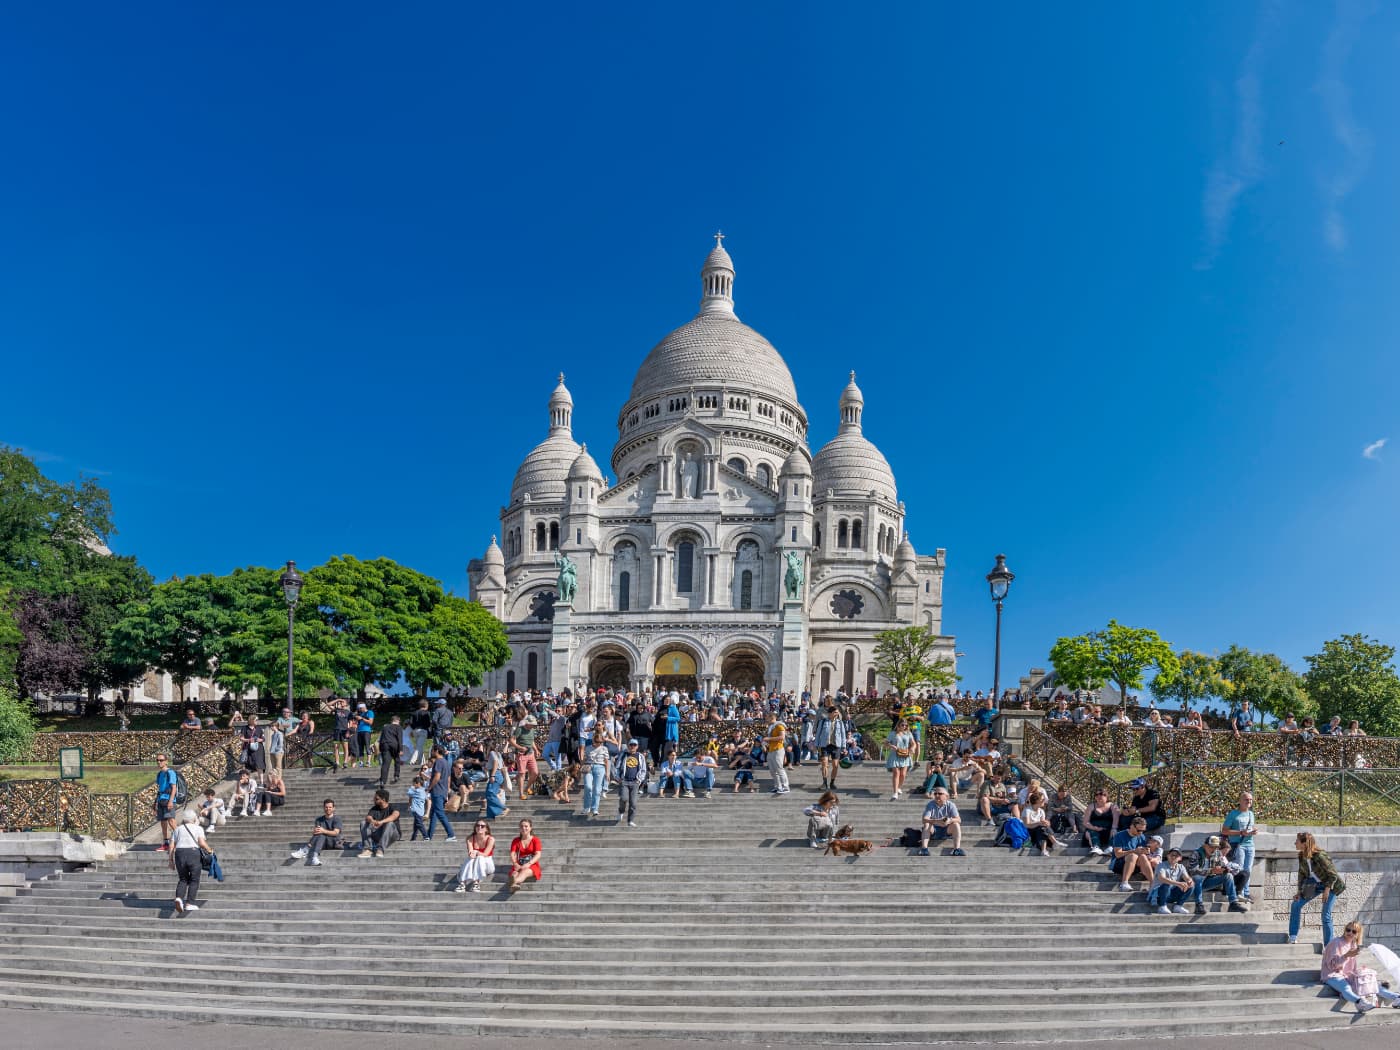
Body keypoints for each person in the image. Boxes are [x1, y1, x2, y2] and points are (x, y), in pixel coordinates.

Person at [1321, 922, 1400, 1012]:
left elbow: (1350, 967)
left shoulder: (1353, 944)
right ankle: (1360, 1003)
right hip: (1332, 974)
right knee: (1346, 988)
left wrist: (1358, 972)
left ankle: (1396, 997)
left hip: (1347, 975)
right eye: (1348, 930)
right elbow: (1331, 965)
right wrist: (1346, 955)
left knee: (1371, 983)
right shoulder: (1335, 942)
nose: (1350, 933)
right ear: (1344, 930)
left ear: (1358, 934)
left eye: (1354, 931)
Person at [1288, 831, 1346, 946]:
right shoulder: (1301, 856)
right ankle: (1293, 936)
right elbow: (1302, 875)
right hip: (1314, 883)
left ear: (1304, 843)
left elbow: (1333, 874)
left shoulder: (1320, 855)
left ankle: (1328, 945)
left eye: (1297, 841)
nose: (1295, 843)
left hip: (1331, 884)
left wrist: (1327, 890)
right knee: (1296, 904)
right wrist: (1299, 891)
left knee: (1326, 914)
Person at [1188, 835, 1246, 914]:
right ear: (1205, 845)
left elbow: (1220, 866)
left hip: (1209, 882)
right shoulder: (1196, 853)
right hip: (1194, 884)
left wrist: (1224, 870)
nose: (1214, 849)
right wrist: (1211, 871)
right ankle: (1199, 905)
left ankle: (1233, 903)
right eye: (1211, 847)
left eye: (1216, 847)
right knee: (1198, 877)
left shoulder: (1217, 853)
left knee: (1228, 876)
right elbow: (1193, 871)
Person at [168, 809, 210, 915]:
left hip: (179, 854)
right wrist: (210, 850)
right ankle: (189, 903)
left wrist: (170, 860)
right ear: (194, 818)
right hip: (193, 854)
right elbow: (201, 843)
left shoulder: (177, 829)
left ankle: (179, 898)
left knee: (183, 879)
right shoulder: (198, 828)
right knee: (194, 879)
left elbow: (171, 845)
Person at [1221, 791, 1258, 902]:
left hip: (1250, 844)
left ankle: (1246, 892)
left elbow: (1250, 827)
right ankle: (1239, 892)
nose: (1249, 802)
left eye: (1250, 800)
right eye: (1246, 799)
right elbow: (1225, 831)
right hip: (1238, 844)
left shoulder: (1251, 814)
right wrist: (1241, 833)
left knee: (1248, 869)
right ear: (1240, 801)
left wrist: (1253, 831)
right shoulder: (1233, 814)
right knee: (1239, 868)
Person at [290, 799, 344, 866]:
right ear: (323, 808)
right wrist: (315, 832)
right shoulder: (319, 819)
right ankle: (314, 858)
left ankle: (305, 850)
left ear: (333, 808)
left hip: (334, 842)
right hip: (322, 843)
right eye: (326, 807)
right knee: (320, 834)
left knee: (321, 833)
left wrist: (323, 831)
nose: (328, 809)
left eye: (330, 807)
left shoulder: (337, 819)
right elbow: (317, 833)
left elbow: (336, 833)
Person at [1109, 816, 1154, 891]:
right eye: (1139, 830)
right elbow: (1117, 854)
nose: (1141, 832)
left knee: (1143, 856)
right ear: (1132, 826)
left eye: (1143, 830)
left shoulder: (1141, 836)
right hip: (1118, 864)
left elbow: (1141, 853)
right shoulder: (1119, 835)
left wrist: (1146, 852)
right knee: (1133, 855)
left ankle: (1153, 883)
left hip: (1135, 864)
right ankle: (1124, 883)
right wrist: (1134, 851)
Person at [918, 786, 965, 857]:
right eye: (935, 793)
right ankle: (924, 849)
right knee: (927, 824)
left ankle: (957, 849)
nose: (937, 795)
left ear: (946, 796)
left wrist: (950, 820)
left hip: (947, 830)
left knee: (956, 824)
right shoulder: (930, 804)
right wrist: (937, 821)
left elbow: (959, 819)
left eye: (940, 793)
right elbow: (924, 819)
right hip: (934, 830)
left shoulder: (951, 805)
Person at [356, 788, 401, 858]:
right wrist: (372, 821)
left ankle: (380, 849)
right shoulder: (375, 808)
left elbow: (394, 816)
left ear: (383, 799)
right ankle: (368, 849)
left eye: (376, 799)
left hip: (393, 834)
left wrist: (381, 822)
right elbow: (368, 817)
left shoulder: (393, 806)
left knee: (390, 823)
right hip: (380, 833)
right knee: (363, 823)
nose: (374, 800)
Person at [615, 738, 649, 826]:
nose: (632, 747)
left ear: (637, 746)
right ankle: (621, 811)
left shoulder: (640, 756)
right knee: (623, 798)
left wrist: (639, 780)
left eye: (634, 745)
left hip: (635, 782)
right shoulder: (623, 755)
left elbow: (643, 770)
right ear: (628, 746)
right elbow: (617, 767)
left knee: (633, 803)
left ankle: (630, 820)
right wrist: (618, 777)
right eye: (631, 745)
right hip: (624, 781)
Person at [1148, 847, 1193, 914]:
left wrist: (1189, 881)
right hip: (1158, 895)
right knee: (1166, 884)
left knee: (1191, 886)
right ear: (1168, 856)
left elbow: (1187, 877)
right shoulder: (1161, 865)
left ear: (1180, 858)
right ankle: (1162, 906)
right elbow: (1162, 878)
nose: (1174, 857)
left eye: (1176, 855)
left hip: (1170, 894)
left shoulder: (1181, 867)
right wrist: (1178, 883)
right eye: (1172, 855)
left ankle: (1178, 906)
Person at [813, 704, 848, 790]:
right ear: (831, 713)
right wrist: (815, 745)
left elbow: (843, 735)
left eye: (837, 712)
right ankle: (824, 783)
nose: (837, 713)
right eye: (836, 712)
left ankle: (832, 782)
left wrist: (844, 747)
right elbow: (818, 734)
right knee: (824, 763)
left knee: (835, 765)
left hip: (836, 746)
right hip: (825, 745)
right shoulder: (823, 721)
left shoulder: (840, 722)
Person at [425, 745, 457, 842]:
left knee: (439, 813)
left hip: (437, 791)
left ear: (436, 751)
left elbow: (437, 777)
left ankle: (451, 834)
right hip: (442, 791)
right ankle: (428, 836)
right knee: (434, 813)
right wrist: (446, 791)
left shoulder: (438, 762)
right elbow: (448, 778)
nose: (431, 752)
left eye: (432, 750)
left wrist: (429, 787)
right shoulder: (446, 762)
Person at [455, 819, 496, 893]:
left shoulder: (491, 839)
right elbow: (470, 853)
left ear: (486, 829)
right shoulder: (470, 839)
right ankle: (462, 883)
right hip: (475, 863)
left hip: (488, 865)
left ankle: (476, 883)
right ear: (475, 827)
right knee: (470, 858)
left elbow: (485, 854)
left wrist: (476, 852)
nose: (479, 827)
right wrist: (472, 854)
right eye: (478, 825)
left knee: (480, 857)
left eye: (482, 826)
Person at [507, 818, 542, 893]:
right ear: (519, 828)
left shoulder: (535, 840)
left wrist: (529, 864)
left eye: (526, 826)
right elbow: (512, 853)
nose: (524, 828)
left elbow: (538, 854)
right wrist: (515, 863)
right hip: (519, 863)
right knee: (514, 873)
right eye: (522, 826)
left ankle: (514, 882)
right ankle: (514, 885)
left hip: (532, 864)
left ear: (530, 828)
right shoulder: (516, 840)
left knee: (524, 872)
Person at [884, 719, 916, 800]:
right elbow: (885, 743)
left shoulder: (908, 733)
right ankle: (895, 792)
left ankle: (899, 787)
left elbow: (913, 743)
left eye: (906, 725)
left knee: (903, 774)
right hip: (895, 755)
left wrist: (912, 748)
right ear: (898, 725)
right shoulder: (893, 733)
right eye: (902, 725)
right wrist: (892, 746)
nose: (904, 726)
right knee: (896, 773)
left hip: (905, 755)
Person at [154, 753, 179, 852]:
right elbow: (160, 789)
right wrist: (155, 802)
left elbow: (174, 787)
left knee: (171, 821)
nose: (159, 762)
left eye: (161, 760)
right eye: (157, 760)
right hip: (161, 800)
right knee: (163, 822)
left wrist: (171, 801)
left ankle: (180, 841)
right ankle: (166, 843)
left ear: (166, 761)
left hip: (169, 799)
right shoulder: (160, 774)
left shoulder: (170, 772)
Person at [1021, 790, 1058, 856]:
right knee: (1041, 828)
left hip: (1039, 833)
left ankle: (1044, 850)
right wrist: (1038, 823)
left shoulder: (1041, 811)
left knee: (1043, 828)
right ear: (1037, 801)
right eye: (1042, 799)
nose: (1044, 800)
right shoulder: (1027, 810)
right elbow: (1027, 825)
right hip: (1029, 833)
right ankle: (1054, 842)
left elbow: (1043, 825)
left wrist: (1046, 823)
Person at [1082, 789, 1119, 855]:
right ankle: (1096, 847)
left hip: (1108, 831)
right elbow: (1085, 822)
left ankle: (1111, 847)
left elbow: (1115, 821)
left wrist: (1113, 829)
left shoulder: (1113, 806)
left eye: (1101, 794)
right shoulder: (1091, 806)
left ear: (1106, 796)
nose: (1099, 796)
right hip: (1094, 829)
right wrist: (1094, 828)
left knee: (1115, 831)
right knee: (1090, 832)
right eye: (1096, 795)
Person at [763, 713, 789, 795]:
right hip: (771, 750)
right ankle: (778, 787)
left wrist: (769, 738)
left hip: (778, 749)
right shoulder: (771, 727)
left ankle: (785, 787)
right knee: (772, 770)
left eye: (767, 717)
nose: (766, 719)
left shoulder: (779, 725)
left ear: (772, 717)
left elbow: (782, 737)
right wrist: (766, 742)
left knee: (779, 769)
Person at [376, 714, 403, 786]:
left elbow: (381, 738)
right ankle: (396, 775)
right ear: (397, 720)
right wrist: (400, 749)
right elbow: (400, 738)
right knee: (397, 760)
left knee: (385, 764)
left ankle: (383, 781)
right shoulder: (398, 727)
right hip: (394, 745)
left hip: (385, 745)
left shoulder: (385, 727)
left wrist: (381, 749)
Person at [406, 700, 432, 765]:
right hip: (423, 730)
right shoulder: (427, 713)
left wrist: (413, 728)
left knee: (419, 746)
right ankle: (412, 761)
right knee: (419, 747)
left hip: (415, 731)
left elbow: (410, 722)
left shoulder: (413, 713)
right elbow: (428, 723)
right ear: (426, 705)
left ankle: (421, 763)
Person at [329, 698, 351, 771]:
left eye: (343, 702)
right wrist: (338, 699)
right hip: (337, 731)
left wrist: (348, 731)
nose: (341, 702)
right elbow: (328, 704)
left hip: (344, 731)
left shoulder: (348, 712)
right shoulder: (337, 710)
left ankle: (345, 762)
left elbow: (350, 722)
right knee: (336, 747)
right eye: (340, 702)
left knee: (345, 747)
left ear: (346, 704)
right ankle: (337, 762)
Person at [406, 776, 429, 840]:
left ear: (418, 783)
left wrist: (412, 787)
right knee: (416, 825)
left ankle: (426, 836)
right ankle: (413, 838)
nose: (413, 785)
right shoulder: (423, 791)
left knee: (419, 824)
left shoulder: (417, 791)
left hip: (417, 811)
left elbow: (408, 793)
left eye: (414, 783)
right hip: (420, 811)